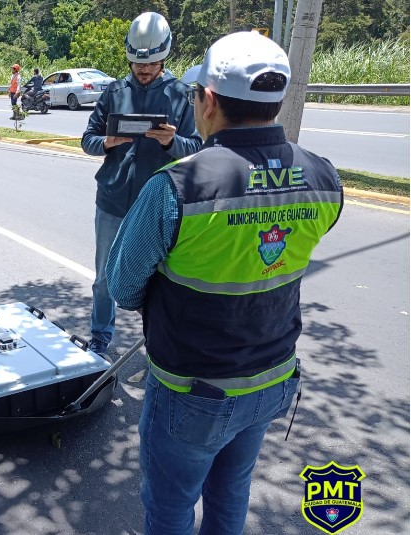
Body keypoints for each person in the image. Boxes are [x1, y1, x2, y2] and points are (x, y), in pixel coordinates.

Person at [106, 31, 343, 534]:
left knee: (170, 510)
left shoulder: (177, 186)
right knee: (231, 493)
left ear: (208, 100)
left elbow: (122, 287)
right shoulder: (323, 178)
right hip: (273, 380)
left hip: (193, 390)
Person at [81, 11, 202, 355]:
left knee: (161, 280)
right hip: (113, 200)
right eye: (137, 64)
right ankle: (101, 336)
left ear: (165, 56)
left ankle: (158, 343)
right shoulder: (113, 92)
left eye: (151, 64)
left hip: (161, 206)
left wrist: (170, 142)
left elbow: (196, 149)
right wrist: (107, 142)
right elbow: (87, 139)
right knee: (104, 277)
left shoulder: (181, 96)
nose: (144, 70)